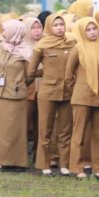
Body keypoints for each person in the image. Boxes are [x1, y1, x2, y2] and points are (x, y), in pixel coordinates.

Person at [0, 19, 32, 171]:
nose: (3, 34)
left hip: (16, 95)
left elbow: (31, 74)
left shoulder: (26, 52)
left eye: (6, 31)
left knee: (14, 129)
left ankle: (15, 161)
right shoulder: (1, 47)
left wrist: (18, 83)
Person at [30, 10, 74, 176]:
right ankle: (44, 164)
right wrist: (47, 73)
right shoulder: (42, 45)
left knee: (65, 131)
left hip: (67, 91)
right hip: (48, 92)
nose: (59, 28)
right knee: (45, 130)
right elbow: (31, 71)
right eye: (55, 25)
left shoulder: (72, 44)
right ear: (49, 27)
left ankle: (64, 165)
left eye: (61, 24)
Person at [66, 17, 99, 180]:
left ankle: (98, 168)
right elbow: (68, 75)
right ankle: (77, 168)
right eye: (88, 29)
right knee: (79, 133)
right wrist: (77, 90)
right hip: (82, 96)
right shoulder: (78, 48)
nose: (92, 32)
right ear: (82, 32)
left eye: (94, 28)